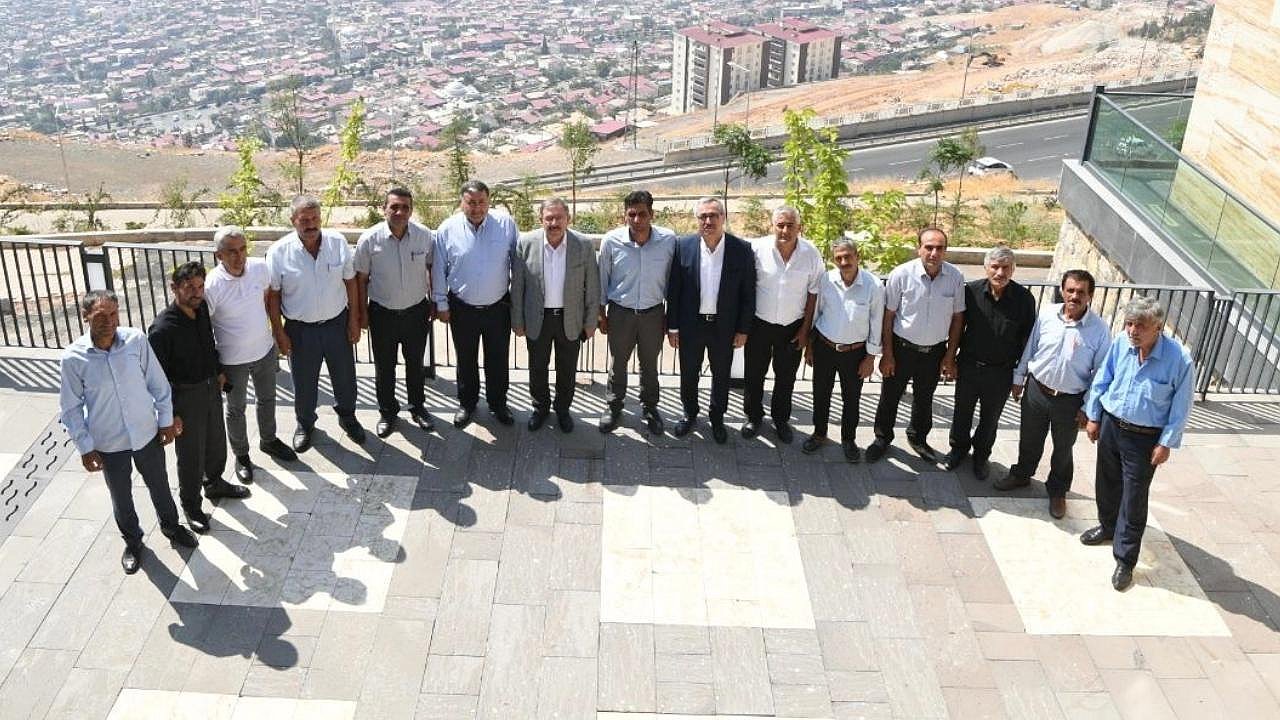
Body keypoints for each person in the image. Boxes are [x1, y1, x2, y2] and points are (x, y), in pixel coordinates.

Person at [59, 290, 198, 574]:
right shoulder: (73, 358)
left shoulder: (135, 340)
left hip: (146, 434)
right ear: (86, 317)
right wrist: (85, 447)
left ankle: (171, 527)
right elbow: (70, 408)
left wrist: (165, 420)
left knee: (160, 485)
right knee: (121, 497)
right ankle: (133, 542)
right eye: (101, 316)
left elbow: (158, 383)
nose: (110, 322)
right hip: (109, 443)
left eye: (114, 314)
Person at [1082, 295, 1193, 591]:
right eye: (1129, 323)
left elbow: (1181, 406)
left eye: (1140, 325)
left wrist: (1166, 443)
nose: (1133, 330)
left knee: (1133, 499)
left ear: (1158, 326)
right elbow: (1103, 379)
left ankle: (1125, 559)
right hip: (1111, 425)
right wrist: (1093, 416)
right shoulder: (1121, 343)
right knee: (1106, 483)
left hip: (1145, 438)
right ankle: (1107, 527)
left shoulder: (1179, 359)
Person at [148, 261, 252, 534]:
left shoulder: (202, 308)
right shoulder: (162, 329)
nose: (196, 292)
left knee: (216, 441)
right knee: (191, 454)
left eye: (200, 286)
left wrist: (218, 372)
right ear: (174, 288)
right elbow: (157, 377)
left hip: (210, 387)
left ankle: (214, 483)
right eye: (189, 287)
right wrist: (171, 414)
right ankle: (191, 505)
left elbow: (208, 343)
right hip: (185, 396)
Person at [998, 269, 1110, 519]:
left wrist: (1088, 407)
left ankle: (1058, 491)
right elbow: (1031, 347)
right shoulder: (1047, 314)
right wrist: (1019, 378)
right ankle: (1022, 474)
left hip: (1070, 400)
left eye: (1081, 292)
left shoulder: (1099, 330)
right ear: (1062, 291)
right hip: (1037, 390)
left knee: (1063, 448)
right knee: (1029, 438)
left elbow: (1101, 373)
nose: (1074, 296)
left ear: (1090, 296)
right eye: (1070, 290)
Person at [266, 195, 366, 452]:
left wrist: (354, 320)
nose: (311, 224)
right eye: (304, 220)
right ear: (293, 220)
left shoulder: (337, 242)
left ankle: (348, 416)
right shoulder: (279, 252)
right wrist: (278, 332)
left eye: (315, 218)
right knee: (303, 382)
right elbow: (273, 295)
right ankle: (305, 423)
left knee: (345, 376)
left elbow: (350, 282)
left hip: (336, 324)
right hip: (300, 330)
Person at [865, 227, 965, 464]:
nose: (934, 253)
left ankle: (918, 438)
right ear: (918, 248)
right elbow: (888, 316)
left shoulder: (955, 277)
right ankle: (882, 438)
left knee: (924, 398)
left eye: (939, 248)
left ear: (945, 250)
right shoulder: (901, 274)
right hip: (902, 349)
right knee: (890, 396)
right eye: (928, 247)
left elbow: (958, 318)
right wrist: (887, 354)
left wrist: (950, 355)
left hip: (934, 352)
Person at [205, 226, 297, 484]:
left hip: (264, 351)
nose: (239, 256)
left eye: (243, 249)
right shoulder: (212, 285)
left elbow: (268, 301)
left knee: (267, 399)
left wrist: (277, 334)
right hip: (232, 361)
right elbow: (205, 327)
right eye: (231, 251)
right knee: (236, 409)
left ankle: (269, 440)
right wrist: (216, 367)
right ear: (219, 255)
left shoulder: (259, 268)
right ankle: (242, 455)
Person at [666, 197, 757, 444]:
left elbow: (748, 294)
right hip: (691, 325)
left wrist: (743, 329)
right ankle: (689, 413)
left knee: (721, 375)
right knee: (689, 372)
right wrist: (672, 327)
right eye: (703, 216)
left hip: (723, 326)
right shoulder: (683, 246)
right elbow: (674, 290)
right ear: (697, 220)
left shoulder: (741, 249)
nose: (708, 221)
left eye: (713, 215)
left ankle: (717, 418)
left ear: (723, 218)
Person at [942, 246, 1035, 480]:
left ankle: (981, 457)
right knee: (962, 412)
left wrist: (1020, 376)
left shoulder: (1024, 299)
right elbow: (957, 326)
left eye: (1005, 268)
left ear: (1013, 270)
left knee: (990, 419)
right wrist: (950, 359)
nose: (1000, 273)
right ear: (986, 268)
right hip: (969, 366)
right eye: (995, 267)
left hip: (1001, 372)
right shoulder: (970, 292)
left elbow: (1027, 340)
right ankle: (958, 450)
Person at [431, 180, 518, 429]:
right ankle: (467, 404)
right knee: (465, 358)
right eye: (471, 203)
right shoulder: (447, 229)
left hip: (498, 307)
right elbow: (439, 269)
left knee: (498, 358)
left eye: (481, 202)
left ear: (489, 202)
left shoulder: (506, 224)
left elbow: (517, 264)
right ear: (462, 203)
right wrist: (441, 303)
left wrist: (518, 302)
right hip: (462, 307)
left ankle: (498, 403)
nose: (477, 208)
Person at [511, 198, 600, 433]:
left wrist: (591, 322)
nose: (554, 223)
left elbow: (592, 287)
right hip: (537, 319)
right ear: (540, 219)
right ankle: (540, 408)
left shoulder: (583, 245)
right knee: (537, 367)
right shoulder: (525, 244)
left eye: (559, 217)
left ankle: (563, 410)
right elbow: (517, 286)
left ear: (568, 219)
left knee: (567, 369)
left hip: (569, 319)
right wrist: (517, 321)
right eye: (549, 218)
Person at [354, 187, 437, 438]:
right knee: (384, 367)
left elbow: (432, 268)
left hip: (416, 313)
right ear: (384, 209)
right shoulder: (369, 240)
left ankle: (417, 407)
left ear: (412, 210)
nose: (400, 212)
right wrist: (362, 314)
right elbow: (361, 280)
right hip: (383, 315)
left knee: (415, 365)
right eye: (394, 207)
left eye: (405, 207)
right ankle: (388, 412)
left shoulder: (424, 236)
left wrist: (435, 301)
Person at [741, 206, 824, 444]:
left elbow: (814, 294)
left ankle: (781, 420)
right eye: (780, 225)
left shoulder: (811, 254)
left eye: (790, 226)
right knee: (754, 373)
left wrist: (805, 330)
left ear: (800, 228)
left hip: (792, 327)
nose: (785, 230)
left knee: (786, 377)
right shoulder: (756, 249)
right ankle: (753, 417)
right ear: (772, 226)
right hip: (759, 324)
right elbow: (745, 287)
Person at [597, 190, 676, 435]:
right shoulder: (612, 241)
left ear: (652, 214)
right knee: (618, 362)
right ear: (625, 216)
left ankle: (650, 408)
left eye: (642, 214)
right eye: (631, 214)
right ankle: (614, 406)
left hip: (653, 314)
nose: (637, 220)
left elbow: (673, 280)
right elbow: (602, 279)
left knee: (650, 364)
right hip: (620, 313)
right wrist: (601, 313)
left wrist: (671, 317)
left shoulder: (668, 240)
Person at [803, 238, 885, 462]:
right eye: (838, 258)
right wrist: (809, 346)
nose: (844, 262)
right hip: (825, 347)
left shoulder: (873, 285)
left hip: (855, 353)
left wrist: (870, 357)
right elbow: (816, 313)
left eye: (848, 256)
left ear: (858, 256)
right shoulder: (826, 280)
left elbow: (876, 323)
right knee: (820, 393)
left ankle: (849, 439)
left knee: (851, 398)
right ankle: (819, 433)